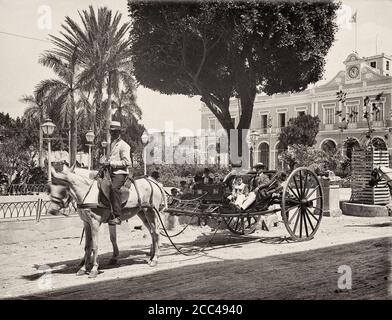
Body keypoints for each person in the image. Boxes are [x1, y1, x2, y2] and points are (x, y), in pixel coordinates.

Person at [102, 120, 132, 225]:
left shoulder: (124, 146)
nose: (112, 134)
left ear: (119, 133)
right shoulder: (113, 144)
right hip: (110, 172)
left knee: (114, 189)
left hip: (120, 173)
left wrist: (111, 163)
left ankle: (117, 216)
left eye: (114, 132)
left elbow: (127, 162)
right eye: (111, 132)